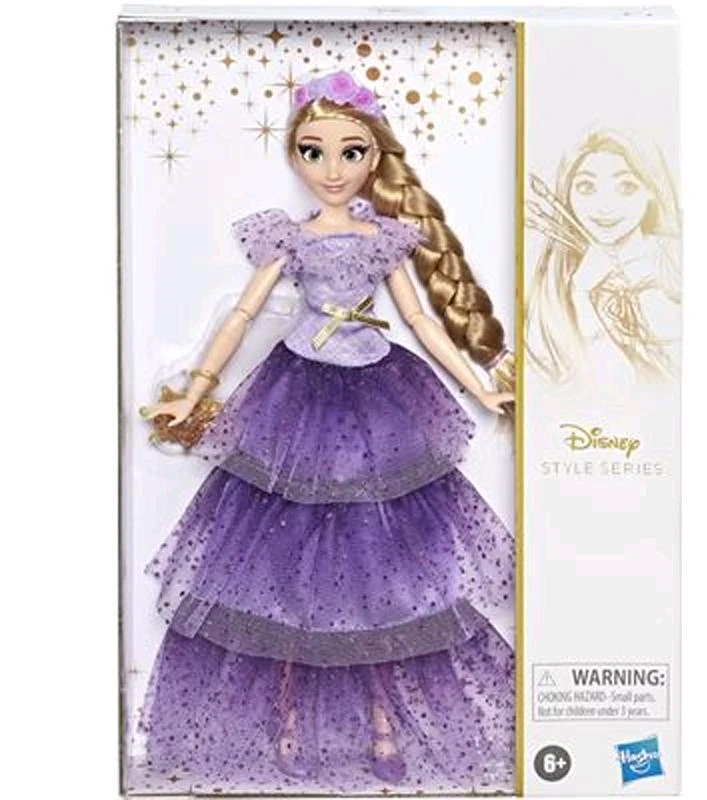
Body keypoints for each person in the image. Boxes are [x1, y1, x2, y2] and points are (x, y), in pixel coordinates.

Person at [136, 71, 516, 794]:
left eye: (351, 152)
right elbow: (242, 316)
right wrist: (195, 390)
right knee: (284, 577)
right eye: (313, 151)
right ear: (294, 155)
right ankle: (287, 723)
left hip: (379, 398)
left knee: (386, 578)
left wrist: (480, 387)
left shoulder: (385, 237)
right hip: (296, 399)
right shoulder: (289, 237)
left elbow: (421, 320)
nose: (332, 169)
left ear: (375, 157)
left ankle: (383, 725)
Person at [525, 128, 681, 387]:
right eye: (586, 187)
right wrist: (581, 292)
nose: (604, 206)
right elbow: (608, 385)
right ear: (567, 193)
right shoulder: (556, 278)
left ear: (651, 190)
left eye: (626, 187)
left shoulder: (673, 258)